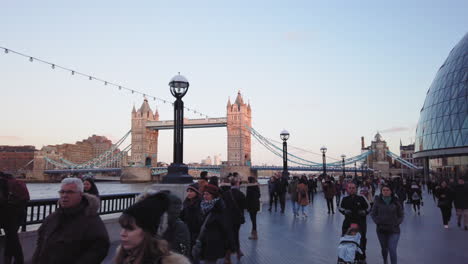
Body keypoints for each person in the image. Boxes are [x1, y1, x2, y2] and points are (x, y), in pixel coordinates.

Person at [32, 177, 110, 264]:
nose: (64, 195)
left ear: (80, 194)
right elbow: (40, 246)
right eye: (62, 192)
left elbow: (99, 249)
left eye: (70, 192)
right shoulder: (52, 218)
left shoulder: (91, 219)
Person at [115, 192, 191, 264]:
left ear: (147, 232)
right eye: (123, 228)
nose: (122, 234)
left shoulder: (171, 262)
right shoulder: (122, 256)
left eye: (130, 229)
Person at [0, 172, 30, 264]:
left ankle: (18, 260)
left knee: (12, 239)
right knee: (11, 238)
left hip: (7, 214)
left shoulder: (2, 182)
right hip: (19, 213)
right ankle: (9, 260)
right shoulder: (11, 180)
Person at [371, 185, 404, 264]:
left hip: (394, 229)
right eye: (384, 190)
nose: (385, 192)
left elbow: (401, 214)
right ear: (381, 192)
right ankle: (385, 260)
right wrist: (378, 221)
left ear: (391, 191)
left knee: (392, 249)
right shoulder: (377, 201)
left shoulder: (396, 201)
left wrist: (397, 222)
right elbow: (373, 214)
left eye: (387, 190)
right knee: (384, 248)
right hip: (381, 229)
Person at [199, 184, 232, 264]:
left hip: (214, 243)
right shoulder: (202, 206)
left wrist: (228, 245)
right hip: (203, 242)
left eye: (207, 194)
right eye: (204, 194)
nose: (205, 196)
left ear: (214, 195)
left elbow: (225, 228)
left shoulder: (219, 209)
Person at [338, 182, 370, 261]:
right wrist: (345, 211)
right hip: (348, 223)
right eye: (350, 188)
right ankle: (345, 256)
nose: (352, 190)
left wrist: (364, 212)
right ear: (347, 189)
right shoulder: (344, 198)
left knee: (361, 239)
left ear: (356, 189)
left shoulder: (361, 198)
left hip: (360, 222)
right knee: (346, 239)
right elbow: (340, 207)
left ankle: (362, 254)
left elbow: (369, 207)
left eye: (353, 188)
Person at [220, 174, 246, 262]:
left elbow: (222, 206)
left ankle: (231, 255)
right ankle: (235, 253)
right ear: (237, 183)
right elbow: (244, 206)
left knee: (229, 236)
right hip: (237, 219)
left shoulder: (225, 194)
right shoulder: (241, 194)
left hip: (227, 218)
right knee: (235, 235)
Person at [180, 183, 203, 260]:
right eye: (188, 191)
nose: (189, 193)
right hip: (187, 230)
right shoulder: (186, 202)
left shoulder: (200, 203)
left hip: (196, 232)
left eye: (191, 191)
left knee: (195, 254)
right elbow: (182, 216)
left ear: (196, 192)